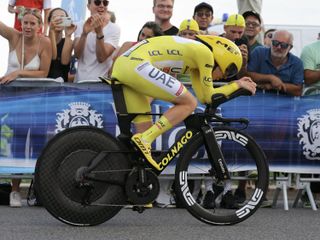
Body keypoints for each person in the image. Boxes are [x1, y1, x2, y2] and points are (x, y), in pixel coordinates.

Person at [111, 35, 257, 177]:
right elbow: (207, 96)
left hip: (126, 65)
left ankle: (142, 192)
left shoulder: (195, 60)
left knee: (142, 145)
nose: (225, 77)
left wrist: (234, 86)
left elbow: (205, 98)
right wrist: (237, 84)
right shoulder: (206, 54)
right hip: (135, 64)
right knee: (189, 103)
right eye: (229, 71)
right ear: (223, 58)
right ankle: (145, 138)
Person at [0, 9, 52, 206]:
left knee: (38, 142)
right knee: (16, 141)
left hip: (36, 100)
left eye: (32, 23)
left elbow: (43, 72)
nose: (28, 27)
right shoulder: (14, 36)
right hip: (12, 100)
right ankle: (14, 191)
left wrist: (18, 73)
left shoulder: (45, 42)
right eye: (25, 23)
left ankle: (38, 189)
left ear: (39, 26)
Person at [73, 0, 120, 82]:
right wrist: (84, 34)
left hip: (100, 85)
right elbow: (77, 55)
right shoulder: (80, 25)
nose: (102, 5)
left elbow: (101, 58)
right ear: (88, 6)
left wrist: (99, 33)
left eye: (105, 3)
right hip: (79, 82)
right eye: (97, 2)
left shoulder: (114, 29)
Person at [247, 30, 304, 96]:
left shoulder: (297, 63)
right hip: (256, 97)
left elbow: (298, 90)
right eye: (275, 43)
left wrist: (275, 86)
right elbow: (247, 75)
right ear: (271, 43)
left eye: (283, 45)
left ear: (290, 48)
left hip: (285, 102)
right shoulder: (259, 52)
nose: (278, 47)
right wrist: (270, 78)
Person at [47, 8, 77, 82]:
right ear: (49, 22)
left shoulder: (68, 40)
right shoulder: (43, 40)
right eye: (55, 18)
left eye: (62, 18)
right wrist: (51, 31)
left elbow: (65, 62)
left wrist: (68, 35)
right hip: (44, 84)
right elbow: (52, 57)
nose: (59, 20)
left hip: (62, 87)